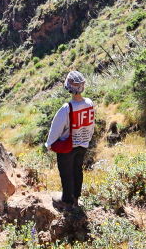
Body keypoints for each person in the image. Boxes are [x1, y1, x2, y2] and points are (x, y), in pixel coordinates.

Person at [44, 70, 94, 209]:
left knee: (66, 174)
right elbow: (91, 125)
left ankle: (66, 201)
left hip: (68, 147)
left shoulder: (67, 108)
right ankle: (76, 199)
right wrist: (86, 140)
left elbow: (56, 129)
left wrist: (49, 145)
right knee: (77, 170)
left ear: (69, 88)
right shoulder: (89, 103)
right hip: (83, 144)